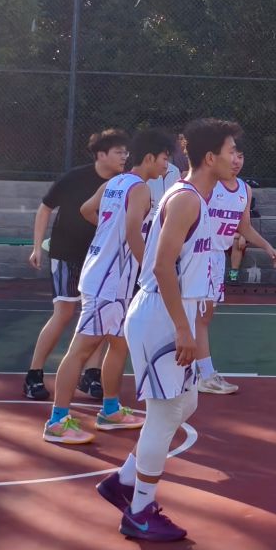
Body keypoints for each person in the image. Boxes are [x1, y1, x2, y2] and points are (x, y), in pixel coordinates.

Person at [101, 118, 242, 543]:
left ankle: (124, 482)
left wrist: (197, 310)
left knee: (187, 403)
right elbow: (162, 266)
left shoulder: (199, 197)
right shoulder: (184, 200)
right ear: (210, 157)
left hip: (174, 313)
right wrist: (184, 328)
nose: (237, 158)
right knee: (164, 415)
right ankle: (140, 511)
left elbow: (188, 264)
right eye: (231, 151)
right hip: (160, 316)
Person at [41, 133, 178, 445]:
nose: (166, 165)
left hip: (109, 277)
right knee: (81, 349)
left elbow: (87, 210)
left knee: (119, 343)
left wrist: (107, 232)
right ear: (149, 158)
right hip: (109, 281)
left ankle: (111, 410)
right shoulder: (139, 188)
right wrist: (150, 271)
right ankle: (57, 421)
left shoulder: (114, 183)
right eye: (164, 158)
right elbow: (132, 232)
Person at [23, 130, 131, 403]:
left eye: (126, 152)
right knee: (64, 312)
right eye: (119, 152)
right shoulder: (75, 177)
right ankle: (34, 374)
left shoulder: (122, 183)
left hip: (99, 257)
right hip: (66, 253)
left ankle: (91, 374)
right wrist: (37, 247)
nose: (124, 156)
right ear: (101, 155)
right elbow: (45, 207)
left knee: (100, 313)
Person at [195, 142, 276, 396]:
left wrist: (266, 246)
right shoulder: (209, 184)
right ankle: (204, 374)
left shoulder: (244, 190)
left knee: (203, 317)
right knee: (200, 316)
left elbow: (244, 227)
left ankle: (198, 372)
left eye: (240, 156)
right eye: (232, 155)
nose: (236, 160)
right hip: (199, 254)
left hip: (218, 258)